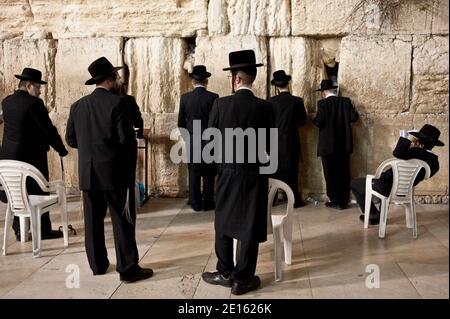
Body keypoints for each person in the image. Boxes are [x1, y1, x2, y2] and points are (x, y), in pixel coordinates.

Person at [65, 57, 153, 283]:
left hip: (88, 175)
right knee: (122, 221)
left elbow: (71, 139)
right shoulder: (118, 104)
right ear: (109, 79)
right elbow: (125, 140)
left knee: (93, 223)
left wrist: (92, 149)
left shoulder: (77, 106)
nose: (119, 81)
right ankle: (128, 269)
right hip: (114, 175)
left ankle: (98, 265)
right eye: (116, 77)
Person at [202, 50, 274, 295]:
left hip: (227, 174)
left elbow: (208, 145)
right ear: (252, 78)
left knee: (222, 221)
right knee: (250, 225)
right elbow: (270, 149)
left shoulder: (221, 104)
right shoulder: (265, 108)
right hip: (254, 175)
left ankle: (224, 272)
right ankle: (242, 280)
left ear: (235, 79)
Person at [0, 67, 68, 240]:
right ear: (29, 86)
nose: (39, 92)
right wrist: (61, 150)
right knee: (39, 190)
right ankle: (43, 230)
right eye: (38, 88)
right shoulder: (34, 104)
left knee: (17, 192)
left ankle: (19, 230)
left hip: (8, 158)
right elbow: (48, 131)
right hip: (31, 158)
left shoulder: (6, 102)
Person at [351, 124, 443, 225]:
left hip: (386, 186)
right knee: (385, 182)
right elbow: (426, 174)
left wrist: (408, 139)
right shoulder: (435, 163)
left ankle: (373, 214)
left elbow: (397, 153)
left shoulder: (415, 152)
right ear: (434, 144)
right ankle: (380, 215)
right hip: (405, 190)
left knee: (355, 184)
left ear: (419, 139)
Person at [178, 65, 219, 211]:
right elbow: (216, 122)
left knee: (194, 173)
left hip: (192, 140)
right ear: (206, 81)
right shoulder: (214, 98)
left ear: (193, 82)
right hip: (209, 140)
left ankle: (195, 203)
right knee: (209, 173)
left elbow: (181, 123)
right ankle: (208, 202)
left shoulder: (185, 98)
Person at [313, 79, 359, 210]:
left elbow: (319, 122)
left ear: (323, 92)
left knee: (330, 174)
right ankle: (344, 200)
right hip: (344, 145)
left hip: (327, 146)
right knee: (344, 172)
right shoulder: (346, 102)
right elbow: (354, 118)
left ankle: (334, 200)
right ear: (334, 90)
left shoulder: (322, 104)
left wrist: (313, 118)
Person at [268, 70, 307, 208]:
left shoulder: (270, 102)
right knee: (292, 170)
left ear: (276, 87)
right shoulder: (297, 101)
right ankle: (294, 199)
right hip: (291, 140)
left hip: (274, 141)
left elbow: (267, 123)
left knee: (274, 171)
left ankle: (272, 199)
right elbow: (303, 121)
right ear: (288, 84)